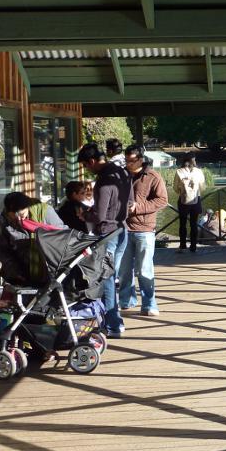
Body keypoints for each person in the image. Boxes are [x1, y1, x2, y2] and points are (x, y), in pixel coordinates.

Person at [78, 142, 132, 339]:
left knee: (106, 279)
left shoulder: (103, 180)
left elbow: (100, 215)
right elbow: (130, 202)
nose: (87, 170)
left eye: (85, 166)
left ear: (92, 161)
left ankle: (113, 324)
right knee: (112, 277)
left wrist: (85, 215)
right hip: (122, 230)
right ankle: (115, 321)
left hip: (107, 234)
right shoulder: (123, 173)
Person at [119, 145, 168, 316]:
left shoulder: (153, 177)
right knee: (124, 269)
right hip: (123, 228)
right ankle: (126, 300)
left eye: (131, 160)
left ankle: (149, 304)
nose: (128, 163)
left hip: (145, 229)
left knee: (145, 269)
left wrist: (138, 207)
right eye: (126, 160)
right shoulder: (121, 174)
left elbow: (162, 200)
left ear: (140, 159)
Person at [173, 153, 205, 253]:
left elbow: (175, 188)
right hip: (196, 200)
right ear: (192, 161)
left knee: (182, 224)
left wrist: (183, 191)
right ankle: (193, 246)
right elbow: (203, 187)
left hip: (183, 201)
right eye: (194, 159)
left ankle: (183, 246)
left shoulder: (179, 171)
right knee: (194, 224)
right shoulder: (199, 172)